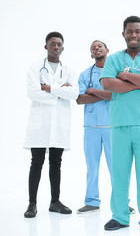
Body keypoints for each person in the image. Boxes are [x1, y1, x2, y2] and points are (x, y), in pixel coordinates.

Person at [100, 16, 140, 234]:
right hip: (119, 123)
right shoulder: (114, 58)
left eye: (137, 31)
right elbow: (109, 84)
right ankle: (120, 216)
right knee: (119, 173)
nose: (133, 35)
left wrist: (126, 77)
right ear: (124, 34)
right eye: (129, 31)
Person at [23, 32, 79, 218]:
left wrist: (49, 88)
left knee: (56, 163)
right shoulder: (35, 67)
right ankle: (32, 204)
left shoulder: (69, 68)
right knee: (36, 163)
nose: (56, 47)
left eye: (59, 44)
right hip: (39, 123)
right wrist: (60, 92)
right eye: (53, 44)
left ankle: (55, 201)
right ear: (46, 46)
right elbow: (32, 92)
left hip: (60, 123)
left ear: (63, 48)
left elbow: (74, 94)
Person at [76, 40, 135, 214]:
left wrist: (93, 91)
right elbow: (79, 99)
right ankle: (92, 201)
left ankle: (122, 202)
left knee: (117, 167)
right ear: (91, 54)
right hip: (91, 127)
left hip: (113, 126)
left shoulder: (116, 73)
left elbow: (118, 95)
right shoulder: (85, 74)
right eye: (93, 48)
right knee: (92, 167)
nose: (96, 49)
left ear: (107, 50)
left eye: (99, 46)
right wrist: (106, 94)